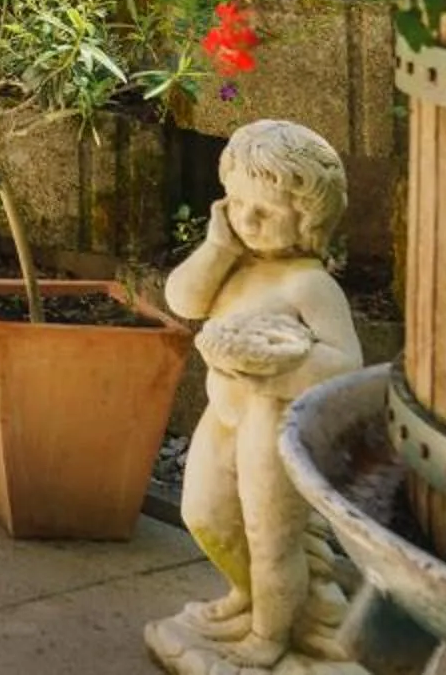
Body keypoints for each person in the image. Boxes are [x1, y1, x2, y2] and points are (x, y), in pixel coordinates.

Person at [149, 119, 364, 674]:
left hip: (271, 420)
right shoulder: (233, 262)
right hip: (224, 416)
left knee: (271, 540)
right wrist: (216, 247)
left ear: (307, 218)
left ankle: (270, 636)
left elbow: (347, 364)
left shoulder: (309, 284)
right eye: (238, 203)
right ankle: (246, 598)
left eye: (265, 210)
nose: (247, 219)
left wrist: (274, 367)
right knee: (203, 515)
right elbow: (184, 300)